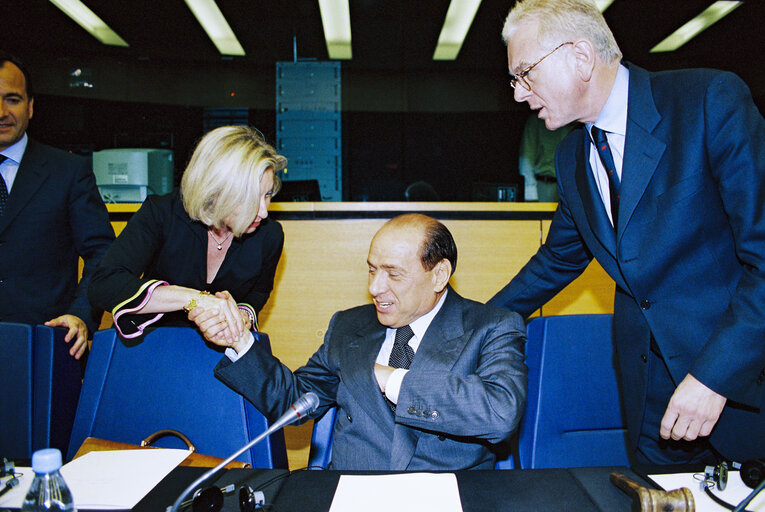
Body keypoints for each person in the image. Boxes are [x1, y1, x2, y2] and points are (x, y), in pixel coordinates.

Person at [489, 0, 765, 465]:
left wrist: (715, 376)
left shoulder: (708, 101)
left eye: (525, 73)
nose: (519, 93)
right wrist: (467, 326)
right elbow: (557, 260)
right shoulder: (572, 156)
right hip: (651, 403)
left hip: (739, 382)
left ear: (579, 56)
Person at [194, 214, 527, 470]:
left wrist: (392, 379)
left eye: (393, 274)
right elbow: (294, 401)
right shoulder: (349, 326)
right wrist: (241, 341)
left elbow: (500, 414)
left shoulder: (491, 327)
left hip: (444, 495)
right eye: (371, 270)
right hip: (352, 492)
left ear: (439, 274)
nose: (375, 288)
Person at [89, 125, 285, 345]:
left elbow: (257, 294)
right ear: (215, 191)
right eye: (250, 198)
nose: (263, 211)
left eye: (267, 195)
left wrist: (241, 317)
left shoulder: (269, 234)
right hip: (153, 349)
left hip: (221, 355)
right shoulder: (162, 214)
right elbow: (103, 285)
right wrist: (195, 300)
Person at [0, 52, 114, 359]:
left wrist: (81, 315)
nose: (1, 112)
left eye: (12, 99)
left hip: (46, 344)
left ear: (31, 106)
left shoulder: (68, 172)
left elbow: (101, 253)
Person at [518, 113, 573, 201]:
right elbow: (527, 157)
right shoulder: (538, 120)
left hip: (569, 186)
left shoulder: (575, 121)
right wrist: (530, 194)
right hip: (545, 184)